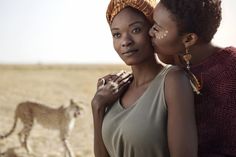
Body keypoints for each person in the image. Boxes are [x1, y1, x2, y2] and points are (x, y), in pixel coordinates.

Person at [91, 0, 198, 157]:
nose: (125, 42)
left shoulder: (173, 81)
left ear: (152, 31)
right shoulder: (115, 90)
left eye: (136, 30)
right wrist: (97, 107)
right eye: (117, 34)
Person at [149, 0, 236, 156]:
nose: (149, 32)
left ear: (189, 39)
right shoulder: (173, 58)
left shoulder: (231, 70)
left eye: (156, 28)